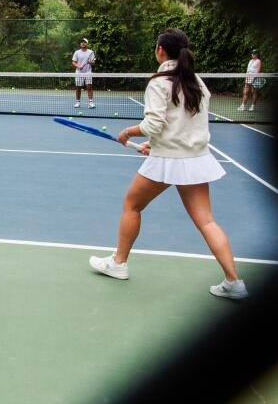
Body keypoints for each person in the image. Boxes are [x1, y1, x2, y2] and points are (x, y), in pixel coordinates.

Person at [88, 28, 248, 300]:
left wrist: (129, 132)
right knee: (206, 220)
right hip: (195, 159)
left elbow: (154, 124)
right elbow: (185, 124)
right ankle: (234, 281)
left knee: (132, 205)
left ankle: (118, 263)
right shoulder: (196, 81)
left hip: (170, 160)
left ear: (161, 50)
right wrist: (158, 144)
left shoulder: (159, 82)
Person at [72, 37, 96, 109]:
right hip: (79, 72)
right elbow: (73, 62)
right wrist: (78, 66)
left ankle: (91, 102)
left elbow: (93, 62)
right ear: (80, 44)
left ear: (87, 44)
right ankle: (77, 102)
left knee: (89, 87)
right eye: (82, 42)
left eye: (84, 42)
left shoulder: (91, 52)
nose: (83, 43)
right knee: (78, 88)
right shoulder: (77, 52)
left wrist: (90, 62)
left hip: (88, 72)